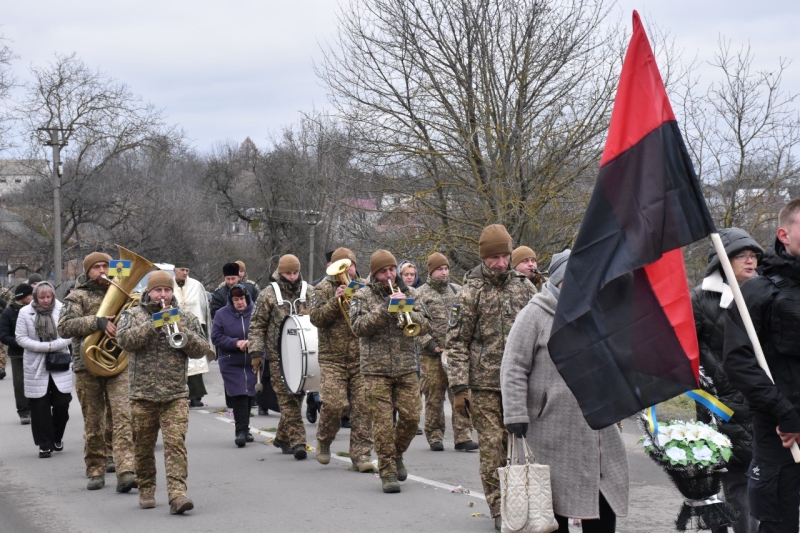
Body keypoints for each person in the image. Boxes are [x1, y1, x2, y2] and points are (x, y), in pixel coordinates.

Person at [501, 250, 629, 532]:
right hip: (550, 429)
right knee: (551, 504)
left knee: (603, 496)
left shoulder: (597, 312)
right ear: (560, 279)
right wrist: (515, 414)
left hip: (597, 425)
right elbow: (513, 366)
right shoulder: (535, 314)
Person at [446, 224, 536, 529]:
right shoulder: (470, 292)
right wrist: (459, 387)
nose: (500, 263)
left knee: (526, 446)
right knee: (493, 447)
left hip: (522, 382)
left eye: (504, 256)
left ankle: (527, 502)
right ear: (483, 257)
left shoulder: (525, 288)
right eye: (493, 257)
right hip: (484, 385)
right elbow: (457, 342)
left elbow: (541, 331)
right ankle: (499, 508)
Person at [724, 198, 800, 533]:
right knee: (777, 523)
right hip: (780, 435)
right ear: (784, 234)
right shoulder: (757, 292)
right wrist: (785, 413)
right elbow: (738, 362)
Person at [116, 271, 212, 514]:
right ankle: (147, 489)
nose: (163, 295)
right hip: (142, 395)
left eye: (167, 290)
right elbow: (124, 341)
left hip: (175, 394)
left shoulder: (185, 316)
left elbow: (202, 348)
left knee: (175, 445)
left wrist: (182, 331)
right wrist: (154, 324)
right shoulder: (133, 315)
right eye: (158, 290)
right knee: (143, 446)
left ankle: (177, 495)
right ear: (149, 292)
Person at [692, 228, 762, 533]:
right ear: (722, 260)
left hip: (761, 403)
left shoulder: (765, 295)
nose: (750, 260)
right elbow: (685, 352)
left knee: (753, 484)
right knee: (731, 481)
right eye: (741, 255)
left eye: (753, 255)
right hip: (718, 406)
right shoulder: (699, 299)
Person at [350, 250, 430, 493]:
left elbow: (426, 323)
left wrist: (407, 311)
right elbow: (358, 327)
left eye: (392, 270)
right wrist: (385, 309)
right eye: (383, 271)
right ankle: (387, 471)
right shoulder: (362, 295)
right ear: (375, 273)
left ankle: (395, 454)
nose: (389, 275)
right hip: (375, 370)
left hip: (406, 367)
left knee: (412, 417)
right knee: (383, 424)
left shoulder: (411, 293)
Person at [58, 252, 136, 492]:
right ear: (88, 271)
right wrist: (97, 322)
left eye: (105, 266)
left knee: (122, 417)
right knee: (94, 422)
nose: (102, 270)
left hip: (118, 363)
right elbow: (64, 327)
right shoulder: (77, 296)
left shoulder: (122, 291)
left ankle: (126, 470)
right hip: (87, 365)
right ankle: (95, 469)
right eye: (96, 267)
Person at [310, 247, 375, 472]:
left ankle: (361, 455)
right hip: (333, 358)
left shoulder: (366, 287)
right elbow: (316, 318)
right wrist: (335, 302)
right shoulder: (321, 288)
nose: (348, 271)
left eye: (351, 266)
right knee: (334, 404)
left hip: (361, 357)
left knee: (364, 407)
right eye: (342, 266)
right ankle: (324, 439)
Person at [248, 255, 310, 460]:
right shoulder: (268, 294)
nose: (292, 277)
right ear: (280, 272)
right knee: (288, 399)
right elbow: (257, 325)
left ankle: (282, 437)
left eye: (295, 273)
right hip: (278, 357)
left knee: (298, 396)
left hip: (303, 354)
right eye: (288, 273)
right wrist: (256, 353)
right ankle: (298, 442)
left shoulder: (308, 292)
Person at [416, 252, 476, 452]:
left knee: (459, 393)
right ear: (431, 271)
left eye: (446, 268)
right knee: (434, 397)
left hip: (455, 353)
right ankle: (434, 435)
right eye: (439, 269)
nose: (444, 272)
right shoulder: (420, 294)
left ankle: (463, 436)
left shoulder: (457, 290)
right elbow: (414, 325)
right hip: (431, 355)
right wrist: (429, 343)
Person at [16, 282, 74, 458]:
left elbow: (69, 333)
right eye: (42, 297)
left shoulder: (63, 309)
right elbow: (21, 338)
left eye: (48, 297)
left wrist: (52, 346)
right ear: (35, 297)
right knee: (39, 407)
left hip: (59, 361)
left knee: (62, 403)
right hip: (35, 364)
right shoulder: (24, 312)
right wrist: (43, 347)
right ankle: (44, 444)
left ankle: (57, 436)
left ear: (53, 296)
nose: (46, 300)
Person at [211, 284, 258, 447]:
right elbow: (216, 337)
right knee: (239, 394)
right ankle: (241, 431)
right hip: (231, 360)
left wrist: (253, 342)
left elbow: (264, 332)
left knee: (249, 393)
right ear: (231, 300)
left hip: (253, 359)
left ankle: (245, 429)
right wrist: (235, 343)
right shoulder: (221, 314)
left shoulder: (256, 312)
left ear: (247, 298)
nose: (240, 302)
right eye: (236, 299)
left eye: (242, 298)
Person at [174, 262, 212, 408]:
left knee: (195, 363)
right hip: (174, 328)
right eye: (182, 270)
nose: (185, 273)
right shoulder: (168, 285)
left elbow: (203, 306)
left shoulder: (196, 285)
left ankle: (196, 396)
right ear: (175, 270)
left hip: (194, 327)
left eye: (187, 270)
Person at [0, 283, 34, 424]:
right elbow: (3, 335)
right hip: (18, 354)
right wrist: (20, 342)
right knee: (20, 384)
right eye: (30, 295)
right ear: (22, 296)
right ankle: (23, 411)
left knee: (36, 382)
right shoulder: (9, 312)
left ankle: (36, 409)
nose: (33, 297)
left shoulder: (36, 309)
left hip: (36, 353)